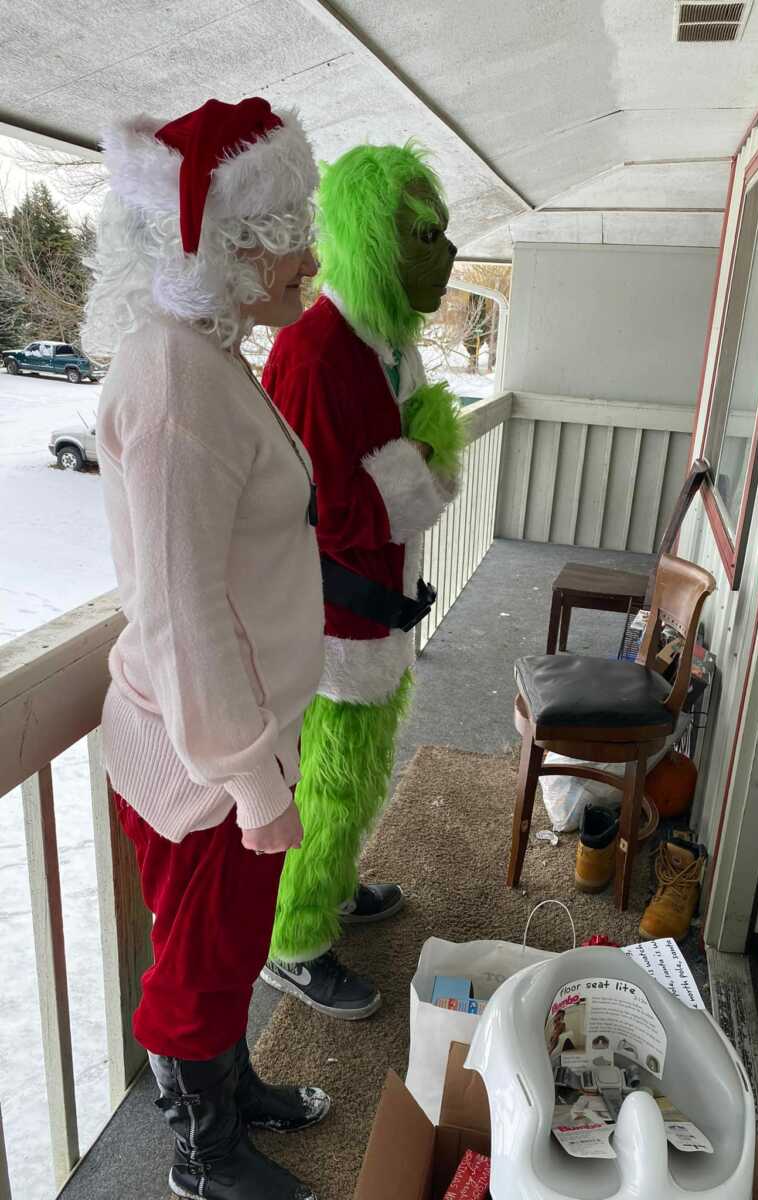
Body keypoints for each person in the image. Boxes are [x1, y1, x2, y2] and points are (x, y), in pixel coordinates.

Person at [83, 97, 329, 1200]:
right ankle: (202, 1150)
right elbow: (182, 612)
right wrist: (244, 771)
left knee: (232, 946)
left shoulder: (208, 355)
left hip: (232, 740)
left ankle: (230, 1086)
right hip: (202, 756)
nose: (308, 258)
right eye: (284, 234)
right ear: (219, 248)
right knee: (199, 961)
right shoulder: (180, 379)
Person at [260, 142, 465, 1018]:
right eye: (423, 233)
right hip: (332, 624)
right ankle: (294, 944)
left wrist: (417, 458)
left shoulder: (385, 345)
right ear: (371, 235)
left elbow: (399, 475)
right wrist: (423, 457)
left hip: (373, 615)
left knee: (359, 776)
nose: (444, 253)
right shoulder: (312, 354)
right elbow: (324, 507)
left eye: (442, 232)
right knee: (329, 786)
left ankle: (334, 888)